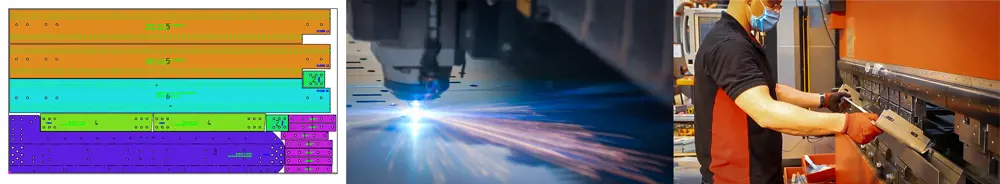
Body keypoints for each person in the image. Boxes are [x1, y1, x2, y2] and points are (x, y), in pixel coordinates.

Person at [691, 0, 884, 183]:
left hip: (759, 173)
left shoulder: (743, 40)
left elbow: (773, 91)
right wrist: (845, 123)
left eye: (779, 5)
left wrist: (823, 100)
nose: (776, 11)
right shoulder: (729, 46)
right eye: (772, 3)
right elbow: (765, 111)